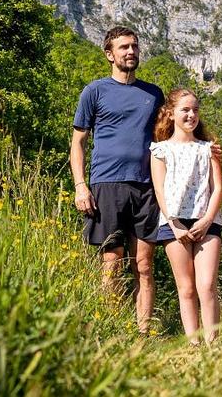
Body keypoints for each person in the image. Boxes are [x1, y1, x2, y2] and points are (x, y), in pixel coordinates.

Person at [70, 26, 164, 333]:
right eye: (124, 47)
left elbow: (167, 137)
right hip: (106, 185)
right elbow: (78, 143)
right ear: (109, 54)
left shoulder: (153, 94)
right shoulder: (94, 91)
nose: (131, 52)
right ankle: (112, 330)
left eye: (134, 46)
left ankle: (143, 333)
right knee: (111, 263)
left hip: (146, 187)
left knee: (144, 266)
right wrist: (80, 186)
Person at [149, 88, 222, 344]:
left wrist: (207, 220)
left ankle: (214, 343)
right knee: (187, 287)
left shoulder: (208, 148)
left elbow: (217, 188)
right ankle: (194, 343)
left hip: (207, 221)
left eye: (195, 110)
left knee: (207, 285)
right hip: (174, 224)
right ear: (171, 113)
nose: (191, 115)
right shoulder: (159, 150)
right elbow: (159, 190)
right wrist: (175, 223)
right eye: (185, 110)